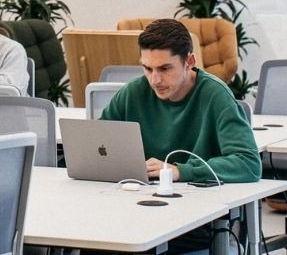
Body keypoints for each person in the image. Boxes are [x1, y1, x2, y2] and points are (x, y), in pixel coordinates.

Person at [100, 18, 261, 253]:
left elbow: (248, 163)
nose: (155, 79)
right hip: (137, 213)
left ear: (189, 62)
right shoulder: (133, 93)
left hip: (196, 220)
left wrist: (180, 170)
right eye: (147, 68)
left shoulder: (216, 96)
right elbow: (99, 147)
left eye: (165, 69)